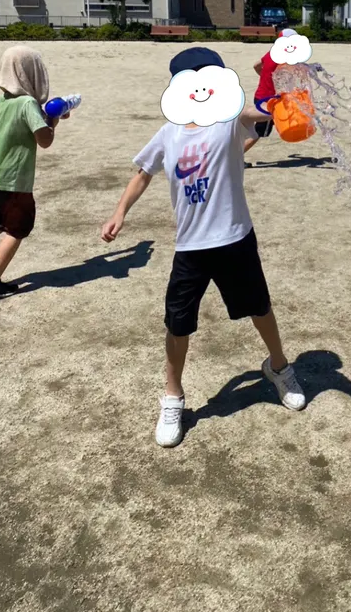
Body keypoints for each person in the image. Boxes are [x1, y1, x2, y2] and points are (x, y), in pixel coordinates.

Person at [101, 46, 305, 448]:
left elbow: (263, 113)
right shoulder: (168, 132)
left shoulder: (229, 121)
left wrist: (281, 81)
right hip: (190, 247)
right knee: (178, 322)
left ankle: (278, 366)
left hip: (235, 238)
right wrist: (119, 211)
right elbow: (143, 173)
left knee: (259, 307)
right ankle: (173, 395)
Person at [0, 45, 69, 299]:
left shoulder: (1, 102)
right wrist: (53, 122)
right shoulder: (27, 103)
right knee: (17, 227)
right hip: (15, 181)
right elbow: (44, 140)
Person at [243, 28, 298, 157]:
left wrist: (265, 78)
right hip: (268, 102)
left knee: (254, 128)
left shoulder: (271, 53)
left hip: (259, 96)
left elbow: (256, 65)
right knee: (258, 133)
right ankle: (236, 156)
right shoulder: (286, 57)